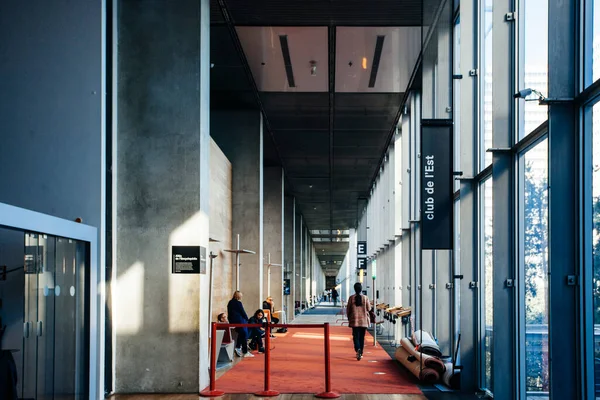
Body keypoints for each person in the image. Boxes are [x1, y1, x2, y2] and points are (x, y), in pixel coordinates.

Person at [346, 282, 372, 360]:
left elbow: (348, 309)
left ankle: (358, 349)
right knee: (362, 337)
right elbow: (369, 309)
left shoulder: (351, 298)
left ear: (354, 289)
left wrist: (349, 318)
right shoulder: (365, 298)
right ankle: (361, 352)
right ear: (361, 289)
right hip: (364, 321)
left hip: (355, 321)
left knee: (355, 337)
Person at [227, 290, 254, 358]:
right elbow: (242, 312)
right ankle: (245, 351)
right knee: (244, 334)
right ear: (238, 296)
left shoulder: (230, 302)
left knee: (241, 333)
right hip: (239, 320)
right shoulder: (238, 303)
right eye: (241, 296)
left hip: (232, 320)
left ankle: (238, 347)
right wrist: (247, 319)